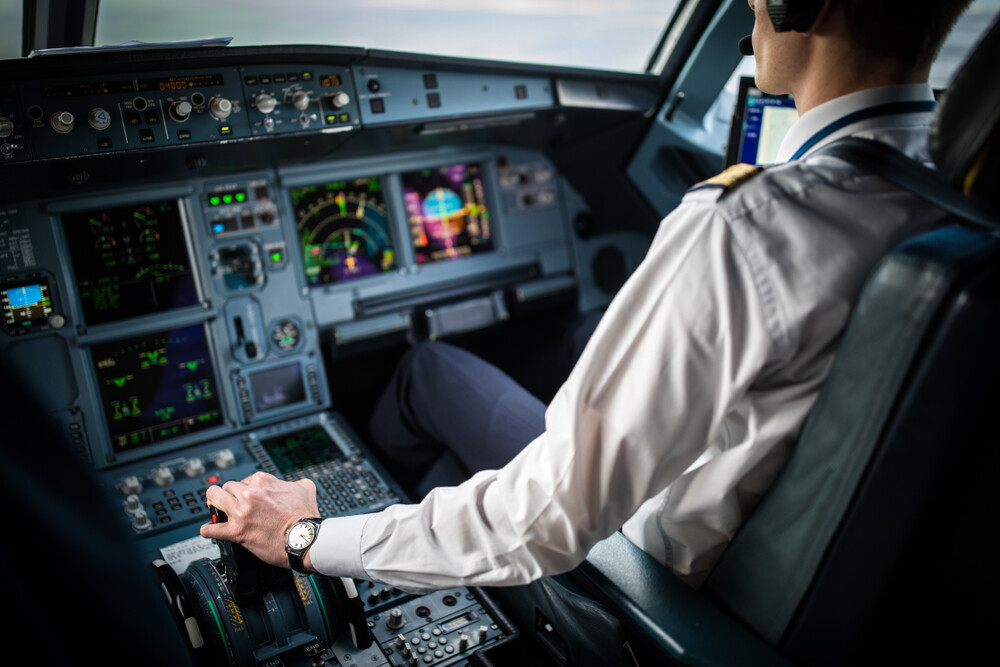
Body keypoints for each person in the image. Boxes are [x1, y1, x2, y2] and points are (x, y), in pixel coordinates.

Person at [201, 0, 974, 591]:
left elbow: (541, 521)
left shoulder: (752, 224)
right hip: (806, 536)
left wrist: (308, 534)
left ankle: (398, 520)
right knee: (586, 329)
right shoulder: (954, 202)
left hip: (644, 576)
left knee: (428, 369)